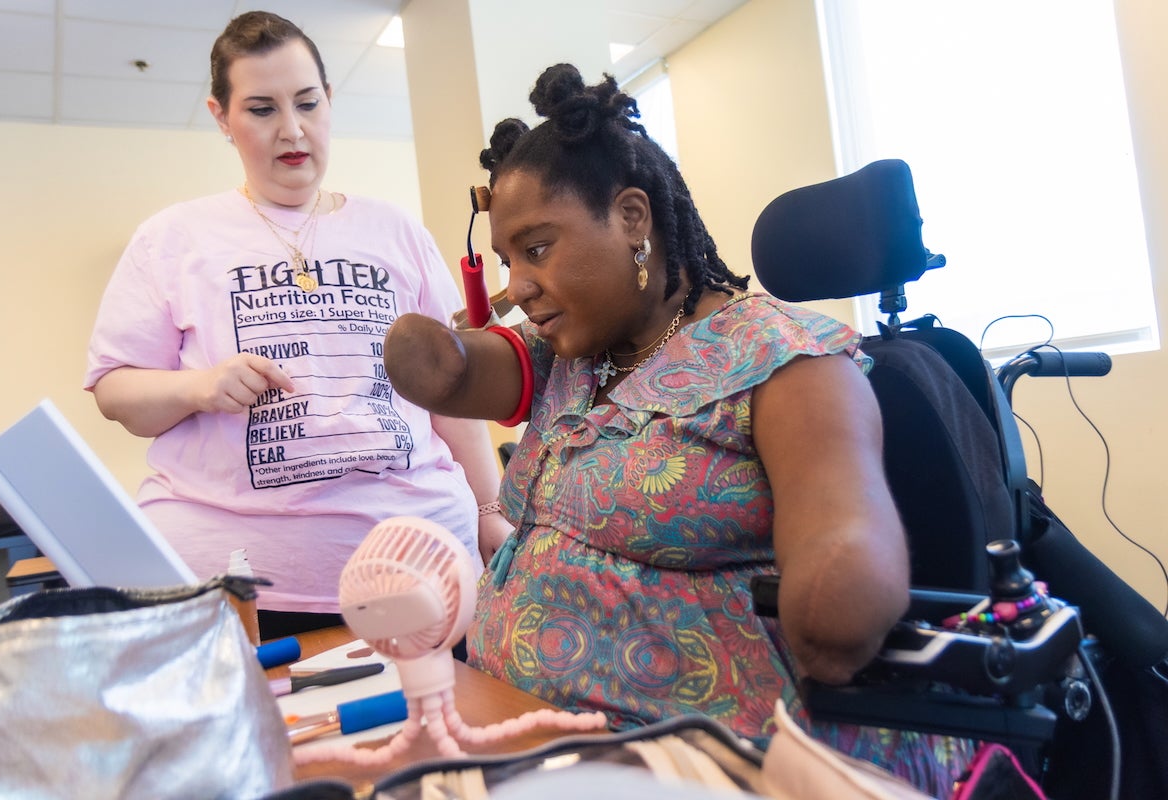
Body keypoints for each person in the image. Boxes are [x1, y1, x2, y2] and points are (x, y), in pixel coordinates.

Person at [382, 63, 974, 795]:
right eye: (507, 261)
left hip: (705, 758)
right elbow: (437, 370)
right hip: (526, 732)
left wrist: (837, 578)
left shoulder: (785, 361)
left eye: (538, 248)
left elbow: (844, 587)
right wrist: (459, 313)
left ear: (633, 218)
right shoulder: (572, 353)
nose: (520, 284)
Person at [83, 11, 510, 640]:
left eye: (308, 103)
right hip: (236, 589)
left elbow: (453, 393)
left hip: (420, 567)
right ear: (220, 117)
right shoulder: (173, 238)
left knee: (440, 733)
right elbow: (117, 394)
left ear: (329, 101)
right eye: (261, 109)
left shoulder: (395, 232)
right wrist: (199, 388)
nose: (293, 130)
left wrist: (488, 512)